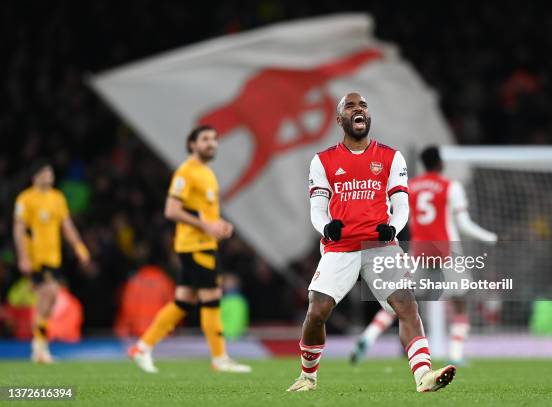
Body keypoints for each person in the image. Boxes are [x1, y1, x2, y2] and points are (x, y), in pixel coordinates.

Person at [287, 93, 455, 393]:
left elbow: (401, 204)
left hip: (380, 246)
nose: (358, 109)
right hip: (340, 248)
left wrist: (392, 229)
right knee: (316, 312)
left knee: (407, 306)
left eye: (362, 105)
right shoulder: (323, 160)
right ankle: (308, 377)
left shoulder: (391, 157)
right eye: (350, 106)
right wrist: (326, 226)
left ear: (368, 116)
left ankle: (423, 376)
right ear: (340, 120)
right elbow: (317, 207)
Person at [350, 146, 498, 365]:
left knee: (399, 300)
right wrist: (492, 239)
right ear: (440, 163)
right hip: (445, 251)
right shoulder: (451, 187)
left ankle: (367, 337)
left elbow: (391, 214)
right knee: (459, 302)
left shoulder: (411, 187)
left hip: (418, 251)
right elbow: (463, 224)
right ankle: (456, 354)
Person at [128, 125, 251, 373]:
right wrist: (206, 225)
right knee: (212, 299)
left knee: (183, 302)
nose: (212, 143)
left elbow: (205, 215)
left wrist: (219, 226)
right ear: (192, 144)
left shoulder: (207, 173)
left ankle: (142, 348)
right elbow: (171, 210)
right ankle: (219, 358)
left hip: (201, 244)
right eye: (205, 139)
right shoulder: (186, 172)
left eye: (215, 139)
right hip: (196, 246)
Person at [13, 163, 91, 363]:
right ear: (35, 176)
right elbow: (19, 229)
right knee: (45, 296)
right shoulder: (26, 198)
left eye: (51, 172)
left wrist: (79, 247)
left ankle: (39, 346)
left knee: (51, 297)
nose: (49, 176)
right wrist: (23, 256)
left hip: (53, 257)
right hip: (35, 257)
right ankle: (39, 347)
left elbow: (67, 226)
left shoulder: (57, 198)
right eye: (45, 172)